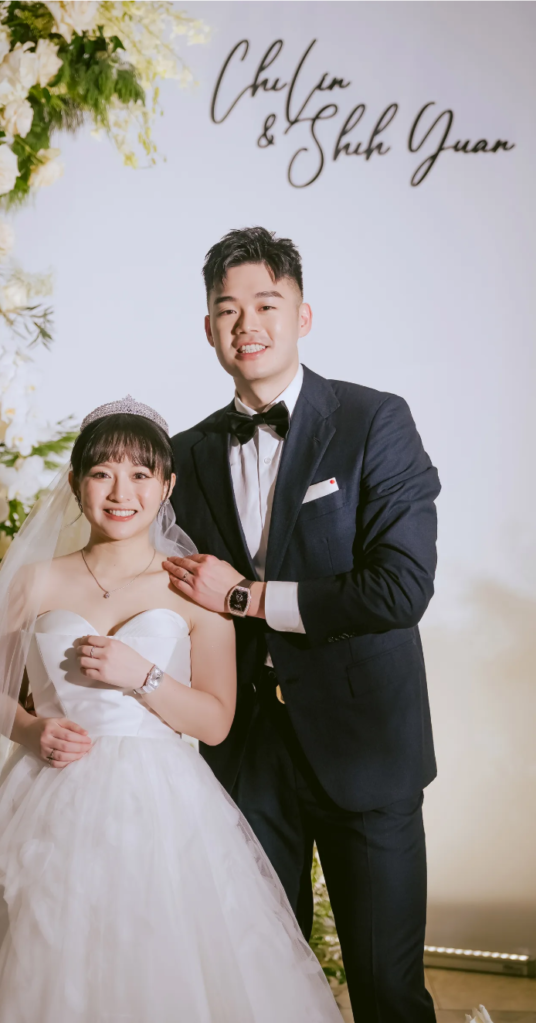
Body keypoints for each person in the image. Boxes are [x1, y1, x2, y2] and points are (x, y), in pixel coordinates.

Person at [0, 401, 342, 1023]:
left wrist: (141, 676)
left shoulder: (193, 590)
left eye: (141, 474)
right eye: (102, 473)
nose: (122, 492)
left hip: (162, 804)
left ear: (167, 486)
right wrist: (31, 729)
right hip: (44, 795)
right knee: (34, 954)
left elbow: (214, 720)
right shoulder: (34, 582)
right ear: (75, 483)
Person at [165, 227, 441, 1023]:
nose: (246, 324)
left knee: (388, 993)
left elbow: (400, 588)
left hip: (366, 750)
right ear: (208, 328)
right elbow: (153, 591)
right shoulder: (184, 454)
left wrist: (246, 598)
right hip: (246, 757)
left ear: (303, 315)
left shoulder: (374, 420)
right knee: (264, 994)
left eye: (266, 304)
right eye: (228, 309)